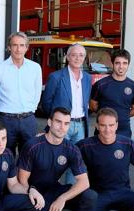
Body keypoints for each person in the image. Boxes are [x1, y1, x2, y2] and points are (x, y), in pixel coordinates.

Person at [17, 107, 97, 211]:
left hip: (54, 191)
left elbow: (84, 182)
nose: (62, 127)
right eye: (58, 122)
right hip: (32, 196)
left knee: (89, 196)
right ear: (49, 122)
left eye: (66, 123)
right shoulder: (33, 146)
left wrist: (62, 198)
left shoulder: (71, 149)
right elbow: (22, 181)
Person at [42, 43, 92, 184]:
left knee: (75, 161)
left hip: (81, 125)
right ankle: (51, 191)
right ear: (68, 57)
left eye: (81, 55)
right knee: (55, 160)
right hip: (61, 125)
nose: (77, 58)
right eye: (74, 55)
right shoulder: (56, 77)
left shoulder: (87, 78)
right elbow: (46, 102)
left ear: (84, 58)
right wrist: (56, 122)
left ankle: (70, 193)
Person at [0, 32, 42, 156]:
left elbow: (37, 92)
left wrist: (30, 110)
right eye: (14, 45)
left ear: (26, 47)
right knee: (5, 156)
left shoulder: (35, 68)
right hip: (6, 120)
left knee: (30, 156)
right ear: (9, 47)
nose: (18, 49)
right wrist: (2, 112)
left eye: (21, 45)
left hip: (28, 120)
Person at [90, 49, 134, 138]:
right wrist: (105, 116)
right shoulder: (100, 85)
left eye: (124, 63)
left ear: (128, 64)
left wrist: (122, 115)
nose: (121, 66)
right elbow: (93, 105)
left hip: (124, 131)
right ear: (112, 64)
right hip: (103, 130)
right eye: (117, 63)